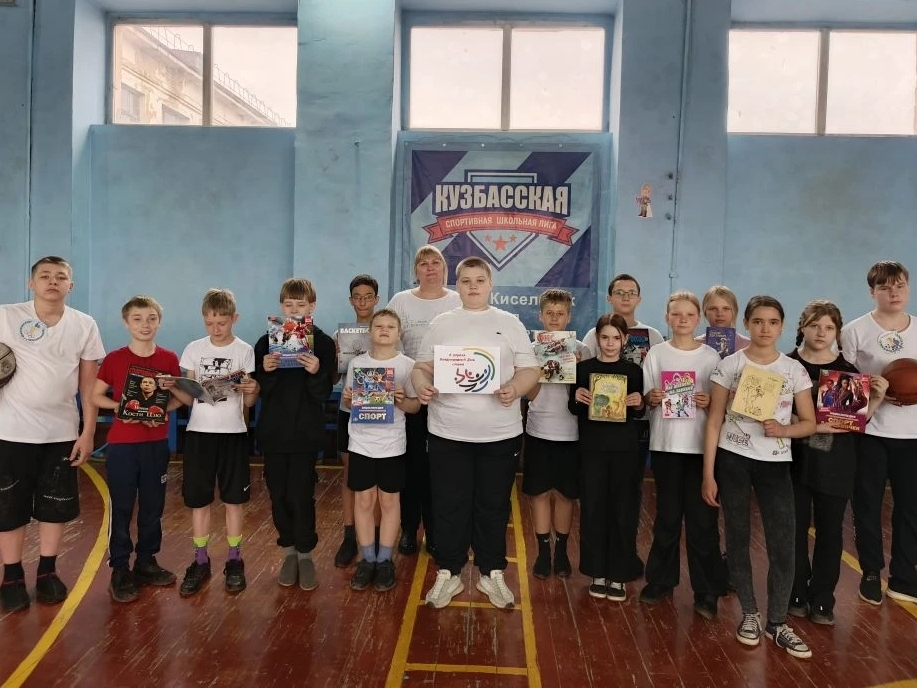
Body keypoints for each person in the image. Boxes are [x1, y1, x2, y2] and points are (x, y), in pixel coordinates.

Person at [412, 256, 539, 609]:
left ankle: (491, 571)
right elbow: (421, 367)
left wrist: (515, 387)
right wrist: (421, 386)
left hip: (500, 433)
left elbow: (530, 369)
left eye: (479, 280)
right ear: (457, 285)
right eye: (466, 280)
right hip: (447, 431)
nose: (472, 286)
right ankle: (449, 571)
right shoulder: (441, 323)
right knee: (448, 504)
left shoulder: (509, 322)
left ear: (490, 285)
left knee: (493, 505)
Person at [702, 295, 816, 660]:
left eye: (772, 322)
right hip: (733, 459)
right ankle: (750, 613)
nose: (765, 328)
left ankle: (777, 621)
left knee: (784, 543)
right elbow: (714, 421)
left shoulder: (793, 370)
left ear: (782, 327)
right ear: (747, 324)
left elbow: (810, 423)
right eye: (758, 321)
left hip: (775, 463)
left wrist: (784, 429)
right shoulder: (730, 364)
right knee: (737, 537)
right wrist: (708, 474)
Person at [0, 256, 105, 613]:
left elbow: (89, 386)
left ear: (70, 286)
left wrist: (87, 433)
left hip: (61, 432)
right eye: (44, 276)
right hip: (10, 431)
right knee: (9, 507)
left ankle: (47, 571)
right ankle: (11, 576)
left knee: (54, 506)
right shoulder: (6, 316)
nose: (52, 281)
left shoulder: (84, 324)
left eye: (60, 277)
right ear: (31, 283)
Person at [788, 300, 887, 625]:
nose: (821, 332)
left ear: (837, 332)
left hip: (836, 463)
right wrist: (806, 423)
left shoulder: (848, 372)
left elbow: (854, 423)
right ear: (802, 327)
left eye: (829, 327)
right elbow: (773, 415)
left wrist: (875, 400)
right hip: (793, 460)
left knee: (830, 533)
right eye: (815, 325)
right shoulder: (786, 366)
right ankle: (795, 593)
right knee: (793, 531)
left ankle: (822, 600)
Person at [93, 296, 188, 603]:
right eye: (137, 319)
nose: (145, 325)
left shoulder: (169, 358)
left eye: (151, 318)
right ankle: (120, 568)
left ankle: (146, 561)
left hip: (156, 445)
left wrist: (163, 410)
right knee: (121, 507)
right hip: (123, 446)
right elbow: (96, 396)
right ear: (126, 323)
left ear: (159, 322)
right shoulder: (114, 359)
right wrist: (120, 407)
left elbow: (180, 398)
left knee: (152, 507)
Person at [640, 291, 726, 618]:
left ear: (698, 319)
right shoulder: (656, 354)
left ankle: (707, 590)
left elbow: (721, 404)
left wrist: (709, 401)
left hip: (701, 449)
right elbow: (646, 399)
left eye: (689, 314)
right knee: (667, 516)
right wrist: (651, 398)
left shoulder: (711, 357)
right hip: (666, 446)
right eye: (676, 314)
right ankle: (660, 580)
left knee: (703, 520)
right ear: (667, 318)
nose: (683, 319)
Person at [841, 260, 917, 605]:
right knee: (867, 506)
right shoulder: (855, 331)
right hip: (868, 432)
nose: (894, 292)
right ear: (872, 292)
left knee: (910, 508)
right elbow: (843, 387)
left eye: (900, 285)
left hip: (912, 435)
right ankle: (870, 572)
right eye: (885, 287)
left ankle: (903, 577)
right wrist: (873, 393)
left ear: (908, 288)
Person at [254, 279, 336, 591]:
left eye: (301, 305)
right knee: (277, 495)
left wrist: (316, 372)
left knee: (301, 496)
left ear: (312, 307)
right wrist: (266, 371)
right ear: (281, 306)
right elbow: (260, 392)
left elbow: (323, 394)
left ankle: (305, 554)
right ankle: (288, 551)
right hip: (274, 433)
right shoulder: (266, 342)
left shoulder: (323, 343)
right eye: (289, 304)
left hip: (305, 434)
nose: (294, 310)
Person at [178, 289, 259, 597]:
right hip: (199, 434)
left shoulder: (244, 350)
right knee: (199, 500)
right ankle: (200, 559)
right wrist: (172, 386)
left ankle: (234, 558)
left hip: (233, 434)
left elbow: (249, 400)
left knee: (234, 500)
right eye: (209, 323)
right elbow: (189, 396)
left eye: (222, 323)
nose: (215, 328)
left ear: (234, 318)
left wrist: (252, 389)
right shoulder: (193, 348)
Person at [581, 273, 662, 576]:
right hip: (598, 431)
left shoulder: (653, 335)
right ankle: (599, 564)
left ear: (639, 298)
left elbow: (656, 380)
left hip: (635, 428)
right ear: (609, 297)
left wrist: (643, 401)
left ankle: (624, 560)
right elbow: (585, 378)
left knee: (628, 497)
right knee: (597, 499)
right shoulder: (591, 336)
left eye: (631, 292)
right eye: (619, 292)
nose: (625, 297)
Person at [387, 245, 462, 557]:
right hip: (409, 396)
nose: (430, 268)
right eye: (423, 263)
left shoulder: (457, 300)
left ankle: (436, 531)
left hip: (449, 397)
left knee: (441, 470)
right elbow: (388, 342)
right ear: (415, 270)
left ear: (444, 269)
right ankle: (408, 528)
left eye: (436, 263)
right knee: (411, 467)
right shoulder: (400, 301)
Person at [342, 309, 420, 592]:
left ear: (399, 333)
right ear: (370, 331)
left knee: (389, 503)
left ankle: (385, 559)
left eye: (390, 326)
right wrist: (349, 399)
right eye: (379, 326)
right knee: (363, 502)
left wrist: (401, 401)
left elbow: (414, 406)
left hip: (392, 444)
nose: (384, 330)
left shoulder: (408, 366)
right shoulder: (357, 364)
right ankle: (367, 559)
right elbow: (349, 404)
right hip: (361, 443)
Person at [569, 314, 645, 601]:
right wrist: (578, 397)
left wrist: (638, 403)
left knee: (624, 512)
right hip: (592, 450)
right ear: (597, 339)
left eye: (616, 338)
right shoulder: (583, 369)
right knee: (593, 510)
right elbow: (573, 408)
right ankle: (597, 572)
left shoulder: (633, 371)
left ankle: (619, 574)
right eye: (605, 337)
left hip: (625, 451)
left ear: (625, 340)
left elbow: (639, 411)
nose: (610, 343)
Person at [523, 289, 586, 579]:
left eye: (560, 314)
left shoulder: (582, 349)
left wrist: (577, 367)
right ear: (540, 316)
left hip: (571, 432)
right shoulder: (530, 349)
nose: (555, 318)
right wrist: (538, 369)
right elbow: (529, 394)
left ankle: (561, 551)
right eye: (549, 313)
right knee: (539, 494)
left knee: (565, 495)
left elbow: (587, 393)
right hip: (538, 429)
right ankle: (543, 551)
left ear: (569, 317)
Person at [332, 274, 380, 568]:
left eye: (368, 296)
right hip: (348, 410)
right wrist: (335, 358)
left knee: (377, 478)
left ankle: (376, 536)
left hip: (378, 411)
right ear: (351, 301)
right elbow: (334, 378)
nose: (362, 301)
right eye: (357, 297)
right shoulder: (340, 336)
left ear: (376, 299)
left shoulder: (386, 330)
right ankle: (349, 536)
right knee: (350, 475)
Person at [695, 286, 752, 352]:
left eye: (726, 308)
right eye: (713, 308)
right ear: (705, 313)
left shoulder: (749, 345)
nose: (720, 314)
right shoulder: (695, 344)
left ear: (734, 312)